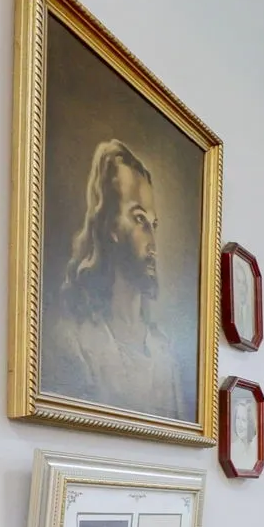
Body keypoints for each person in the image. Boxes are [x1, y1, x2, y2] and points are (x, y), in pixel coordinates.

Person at [43, 139, 193, 421]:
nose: (153, 244)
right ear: (112, 226)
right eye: (139, 220)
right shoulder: (76, 343)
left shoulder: (165, 357)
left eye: (153, 225)